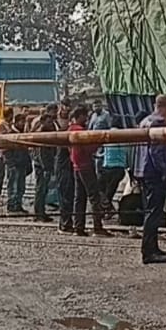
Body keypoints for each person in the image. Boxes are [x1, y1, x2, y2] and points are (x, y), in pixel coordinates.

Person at [135, 95, 166, 264]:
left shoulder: (145, 121)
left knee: (150, 211)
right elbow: (157, 152)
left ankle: (152, 248)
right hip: (155, 173)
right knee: (154, 212)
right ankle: (149, 252)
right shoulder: (159, 123)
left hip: (143, 171)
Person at [69, 106, 112, 236]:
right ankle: (97, 227)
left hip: (76, 166)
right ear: (79, 116)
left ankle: (78, 227)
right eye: (85, 116)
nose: (87, 118)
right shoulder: (81, 131)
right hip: (86, 166)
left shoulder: (70, 130)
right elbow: (88, 149)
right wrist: (98, 143)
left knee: (79, 198)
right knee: (94, 196)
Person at [98, 115, 128, 214]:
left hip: (107, 166)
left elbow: (103, 151)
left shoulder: (106, 133)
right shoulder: (123, 135)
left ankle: (106, 209)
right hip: (118, 167)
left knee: (102, 190)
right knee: (110, 192)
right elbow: (125, 151)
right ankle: (107, 209)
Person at [34, 106, 59, 221]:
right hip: (42, 166)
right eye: (49, 122)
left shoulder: (49, 130)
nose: (51, 124)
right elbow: (40, 152)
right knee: (41, 189)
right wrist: (45, 167)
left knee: (43, 189)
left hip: (47, 164)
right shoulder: (41, 134)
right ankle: (39, 213)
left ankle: (41, 212)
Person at [55, 101, 75, 233]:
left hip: (66, 167)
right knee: (66, 196)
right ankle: (64, 223)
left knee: (68, 196)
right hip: (64, 167)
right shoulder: (61, 130)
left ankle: (66, 223)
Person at [4, 113, 31, 214]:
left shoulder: (23, 133)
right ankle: (11, 205)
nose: (23, 124)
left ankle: (18, 205)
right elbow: (6, 151)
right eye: (22, 121)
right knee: (13, 185)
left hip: (22, 163)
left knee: (21, 187)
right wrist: (11, 163)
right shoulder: (10, 133)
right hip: (14, 164)